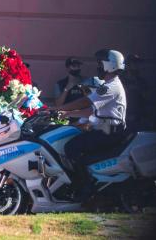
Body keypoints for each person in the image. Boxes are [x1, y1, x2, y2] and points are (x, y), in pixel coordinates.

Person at [54, 49, 127, 201]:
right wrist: (66, 114)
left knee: (71, 148)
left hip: (108, 131)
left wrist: (58, 108)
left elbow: (86, 102)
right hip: (105, 129)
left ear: (110, 65)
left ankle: (85, 187)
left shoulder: (111, 86)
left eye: (100, 64)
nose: (98, 67)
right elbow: (90, 110)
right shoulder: (109, 84)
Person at [120, 54, 148, 130]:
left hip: (138, 118)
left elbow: (145, 98)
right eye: (134, 63)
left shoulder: (141, 81)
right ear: (128, 65)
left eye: (138, 63)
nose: (137, 66)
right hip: (124, 118)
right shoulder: (120, 81)